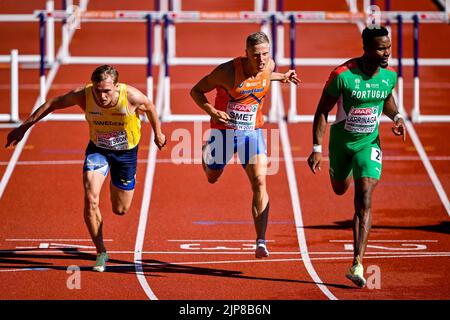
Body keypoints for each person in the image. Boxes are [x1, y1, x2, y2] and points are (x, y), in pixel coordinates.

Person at [6, 65, 166, 272]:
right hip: (98, 151)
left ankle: (115, 183)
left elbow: (151, 108)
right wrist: (23, 127)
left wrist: (158, 133)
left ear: (117, 87)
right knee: (91, 198)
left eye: (107, 91)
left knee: (120, 209)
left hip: (126, 154)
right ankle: (101, 252)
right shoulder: (83, 95)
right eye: (98, 90)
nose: (102, 96)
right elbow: (52, 104)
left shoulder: (132, 97)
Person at [307, 26, 406, 287]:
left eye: (388, 47)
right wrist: (317, 148)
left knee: (364, 197)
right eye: (381, 48)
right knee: (340, 189)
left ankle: (357, 263)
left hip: (368, 144)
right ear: (366, 48)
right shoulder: (343, 76)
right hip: (341, 145)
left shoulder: (388, 77)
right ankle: (344, 170)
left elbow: (385, 98)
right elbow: (321, 111)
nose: (386, 53)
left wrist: (396, 117)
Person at [190, 31, 300, 258]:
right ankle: (206, 153)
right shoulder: (227, 72)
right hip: (223, 133)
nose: (261, 60)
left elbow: (266, 75)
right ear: (246, 54)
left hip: (252, 132)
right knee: (212, 176)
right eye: (256, 55)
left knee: (260, 180)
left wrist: (283, 77)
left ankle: (261, 240)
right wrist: (211, 110)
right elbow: (196, 90)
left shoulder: (268, 66)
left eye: (265, 54)